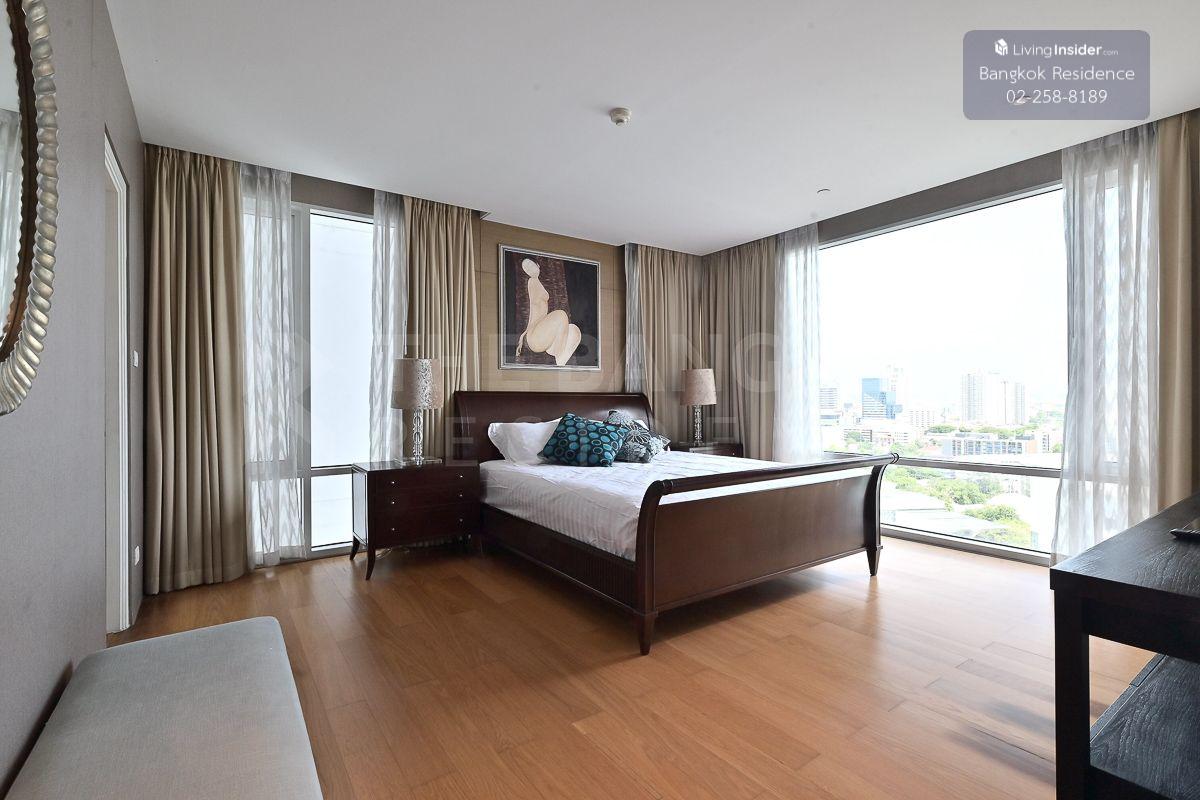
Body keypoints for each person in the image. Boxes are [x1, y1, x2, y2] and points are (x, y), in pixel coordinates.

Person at [515, 258, 580, 366]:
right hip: (534, 336)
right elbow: (532, 309)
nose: (529, 269)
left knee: (573, 331)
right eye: (526, 268)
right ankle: (560, 355)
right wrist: (524, 335)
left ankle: (558, 354)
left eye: (530, 265)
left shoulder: (537, 282)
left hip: (540, 333)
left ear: (538, 266)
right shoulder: (531, 282)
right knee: (561, 314)